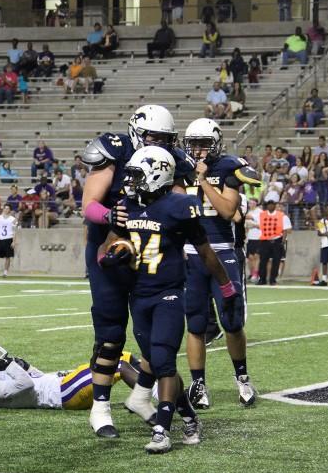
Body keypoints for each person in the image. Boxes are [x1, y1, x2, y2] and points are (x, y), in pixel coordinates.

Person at [101, 146, 242, 453]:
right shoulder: (127, 205)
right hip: (137, 296)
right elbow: (106, 248)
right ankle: (189, 417)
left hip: (169, 293)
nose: (132, 182)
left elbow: (204, 250)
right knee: (158, 362)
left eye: (138, 176)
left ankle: (163, 429)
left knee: (163, 360)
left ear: (157, 174)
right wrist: (112, 255)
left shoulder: (180, 206)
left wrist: (226, 285)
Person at [80, 104, 194, 438]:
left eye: (165, 138)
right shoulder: (115, 153)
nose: (159, 142)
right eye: (153, 136)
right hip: (111, 252)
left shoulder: (172, 162)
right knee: (112, 330)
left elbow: (177, 205)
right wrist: (110, 218)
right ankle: (100, 407)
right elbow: (89, 204)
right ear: (137, 133)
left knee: (154, 339)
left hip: (151, 255)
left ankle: (142, 396)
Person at [182, 118, 259, 409]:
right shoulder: (180, 168)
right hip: (191, 253)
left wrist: (202, 180)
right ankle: (198, 384)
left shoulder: (228, 167)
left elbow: (227, 210)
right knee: (196, 324)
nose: (199, 150)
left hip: (224, 252)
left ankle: (242, 378)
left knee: (232, 321)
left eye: (204, 143)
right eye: (194, 144)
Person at [0, 346, 149, 416]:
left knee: (119, 355)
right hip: (64, 392)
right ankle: (152, 397)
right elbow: (26, 384)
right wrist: (9, 364)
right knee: (116, 366)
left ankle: (146, 393)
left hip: (62, 385)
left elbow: (37, 379)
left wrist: (26, 366)